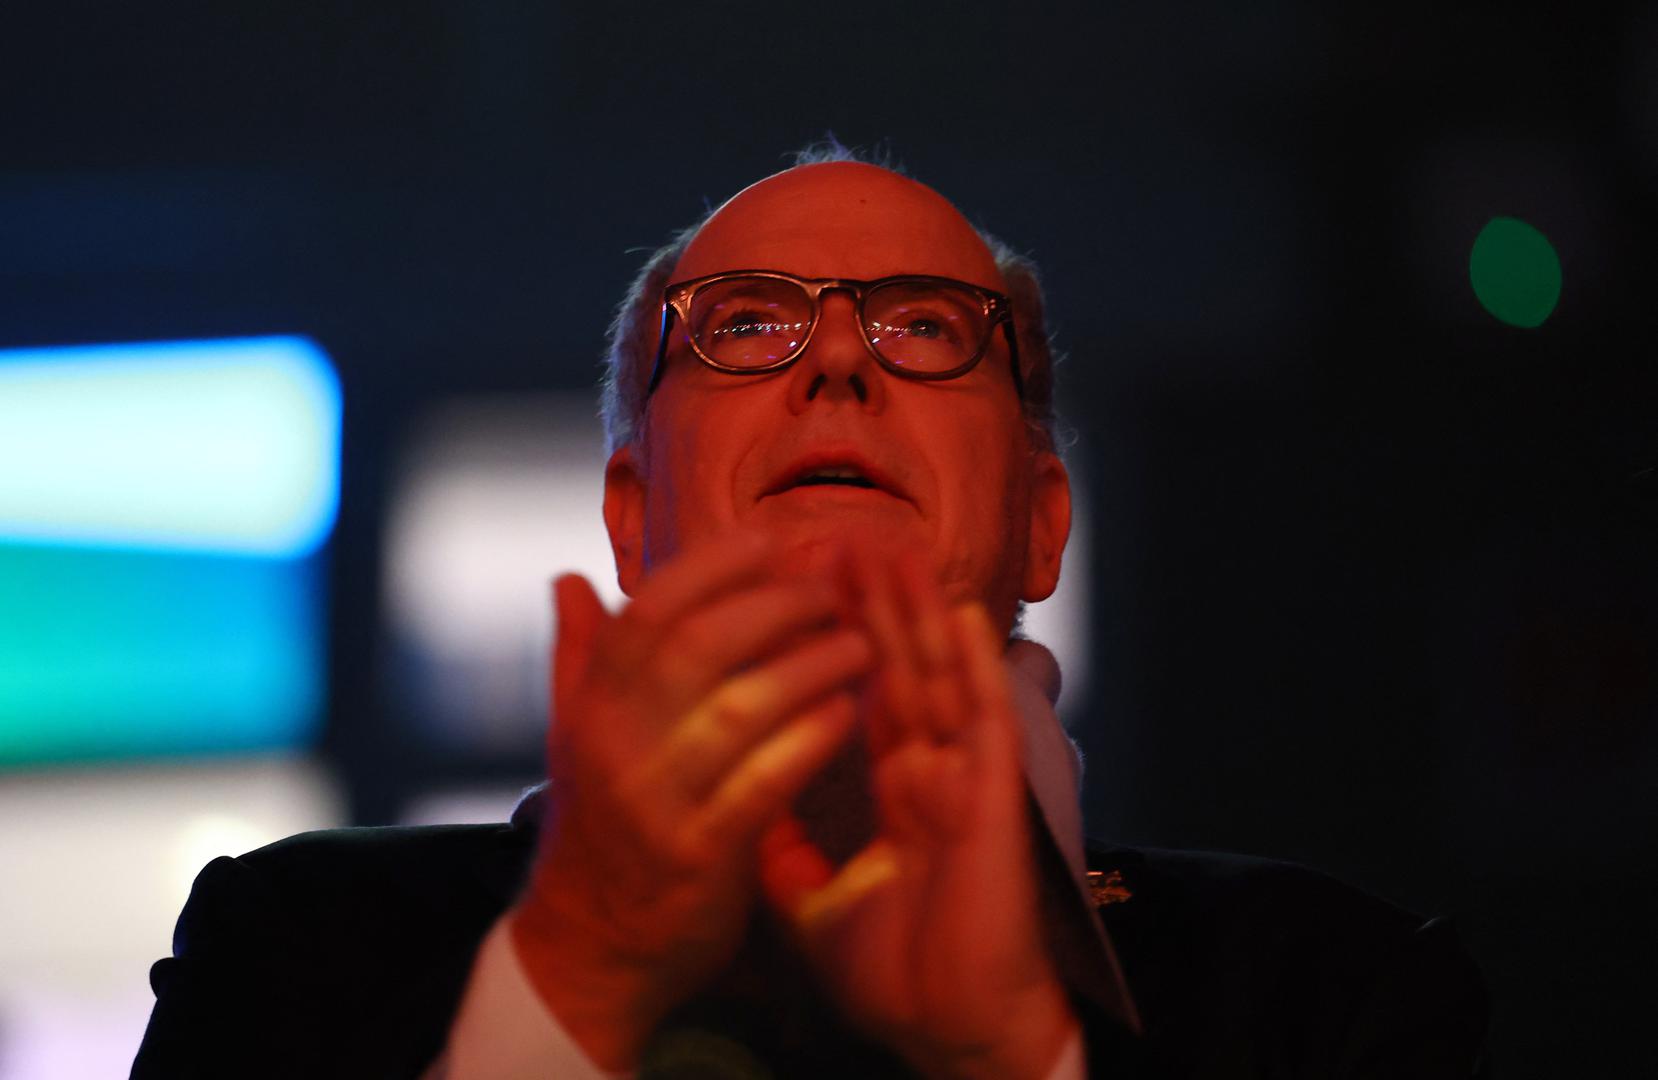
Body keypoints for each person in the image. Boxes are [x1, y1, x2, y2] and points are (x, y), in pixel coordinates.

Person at [131, 149, 1488, 1079]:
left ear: (1040, 521)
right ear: (629, 515)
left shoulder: (1321, 996)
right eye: (742, 324)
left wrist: (1013, 1058)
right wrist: (569, 985)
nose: (837, 356)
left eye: (929, 327)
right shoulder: (302, 951)